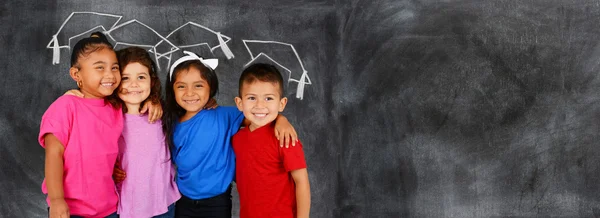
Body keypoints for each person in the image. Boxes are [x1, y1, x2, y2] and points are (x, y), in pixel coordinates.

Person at [161, 51, 299, 217]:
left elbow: (258, 115)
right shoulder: (170, 121)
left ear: (210, 87)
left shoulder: (225, 116)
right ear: (172, 89)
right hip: (183, 200)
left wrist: (281, 119)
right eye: (181, 86)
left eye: (198, 85)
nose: (190, 93)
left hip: (217, 202)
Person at [39, 32, 122, 218]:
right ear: (76, 74)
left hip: (109, 209)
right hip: (71, 209)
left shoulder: (116, 108)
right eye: (100, 68)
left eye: (114, 67)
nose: (110, 74)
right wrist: (57, 200)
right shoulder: (65, 106)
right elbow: (54, 155)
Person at [233, 63, 310, 218]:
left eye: (268, 98)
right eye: (252, 98)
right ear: (239, 103)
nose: (260, 105)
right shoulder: (237, 139)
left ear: (281, 104)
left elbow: (301, 182)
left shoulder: (286, 138)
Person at [112, 47, 180, 218]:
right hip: (128, 204)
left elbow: (192, 110)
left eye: (141, 77)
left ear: (152, 82)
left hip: (163, 201)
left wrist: (155, 101)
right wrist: (109, 168)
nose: (134, 84)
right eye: (125, 78)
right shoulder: (109, 115)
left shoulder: (161, 112)